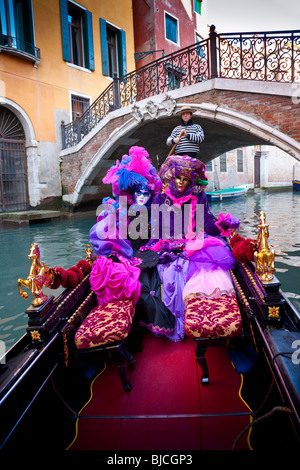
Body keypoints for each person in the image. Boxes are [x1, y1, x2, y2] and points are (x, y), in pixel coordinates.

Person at [141, 154, 240, 342]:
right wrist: (152, 247)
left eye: (185, 179)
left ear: (190, 181)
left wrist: (224, 224)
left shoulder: (198, 197)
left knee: (200, 272)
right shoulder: (159, 200)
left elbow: (207, 225)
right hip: (168, 246)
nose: (181, 182)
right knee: (167, 274)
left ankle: (199, 323)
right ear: (171, 177)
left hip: (193, 246)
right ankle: (172, 324)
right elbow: (156, 232)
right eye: (178, 177)